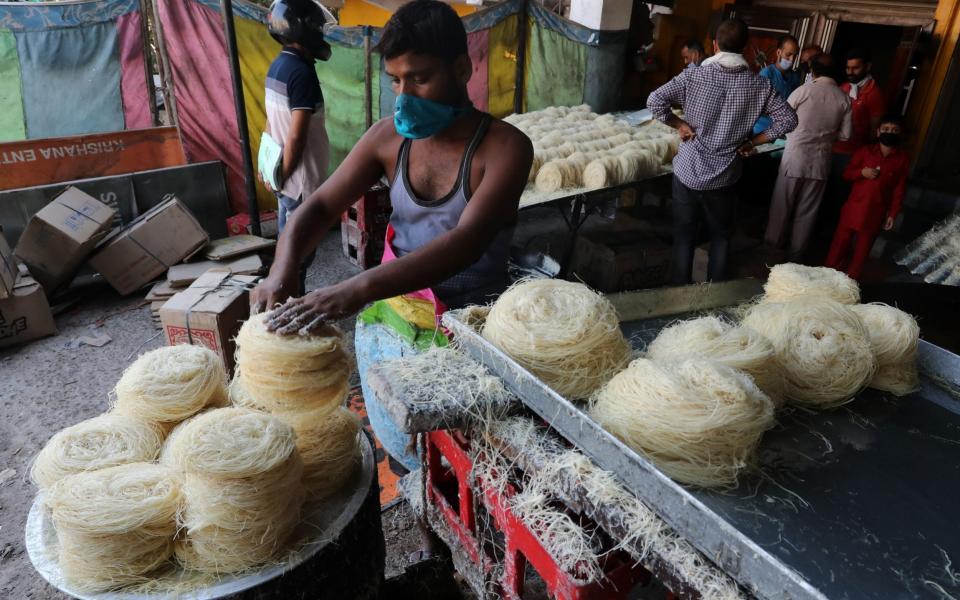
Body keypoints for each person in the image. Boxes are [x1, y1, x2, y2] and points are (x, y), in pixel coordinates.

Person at [251, 0, 533, 468]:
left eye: (419, 78)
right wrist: (282, 270)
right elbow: (317, 205)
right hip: (392, 319)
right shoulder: (387, 139)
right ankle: (420, 524)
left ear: (462, 69)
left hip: (471, 330)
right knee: (401, 443)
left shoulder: (505, 148)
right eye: (395, 81)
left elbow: (466, 242)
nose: (404, 95)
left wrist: (355, 289)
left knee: (464, 462)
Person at [647, 18, 797, 285]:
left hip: (688, 172)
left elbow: (655, 101)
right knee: (720, 237)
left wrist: (680, 124)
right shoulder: (760, 86)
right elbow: (789, 120)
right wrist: (754, 141)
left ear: (714, 45)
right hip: (724, 177)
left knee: (684, 236)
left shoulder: (693, 75)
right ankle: (716, 294)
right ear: (746, 47)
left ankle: (678, 293)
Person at [262, 0, 332, 294]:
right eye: (317, 27)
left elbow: (269, 124)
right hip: (299, 181)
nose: (321, 33)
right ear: (302, 28)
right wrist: (284, 174)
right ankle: (290, 309)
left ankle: (286, 301)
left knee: (287, 244)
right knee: (299, 254)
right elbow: (295, 137)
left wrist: (269, 170)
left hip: (283, 176)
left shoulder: (279, 66)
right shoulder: (302, 73)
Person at [765, 53, 852, 261]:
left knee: (781, 206)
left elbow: (781, 121)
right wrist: (826, 137)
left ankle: (771, 250)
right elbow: (846, 135)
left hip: (794, 158)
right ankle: (796, 254)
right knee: (808, 211)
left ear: (813, 70)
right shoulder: (844, 98)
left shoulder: (803, 91)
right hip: (820, 163)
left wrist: (797, 133)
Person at [825, 116, 908, 280]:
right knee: (839, 245)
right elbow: (847, 174)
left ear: (900, 134)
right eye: (885, 129)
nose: (889, 133)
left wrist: (892, 213)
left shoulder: (902, 159)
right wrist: (861, 173)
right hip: (854, 208)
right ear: (878, 132)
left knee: (862, 252)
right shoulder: (865, 151)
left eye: (894, 130)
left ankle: (850, 285)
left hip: (876, 212)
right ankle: (826, 277)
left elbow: (899, 189)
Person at [824, 48, 886, 230]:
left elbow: (874, 131)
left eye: (855, 68)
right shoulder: (843, 88)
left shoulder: (874, 94)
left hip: (852, 154)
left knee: (840, 195)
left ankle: (831, 232)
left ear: (867, 67)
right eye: (848, 68)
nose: (850, 72)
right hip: (832, 148)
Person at [753, 35, 802, 137]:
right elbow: (756, 106)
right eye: (788, 55)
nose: (792, 59)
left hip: (784, 131)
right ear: (779, 52)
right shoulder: (766, 74)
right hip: (761, 131)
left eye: (795, 55)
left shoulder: (794, 77)